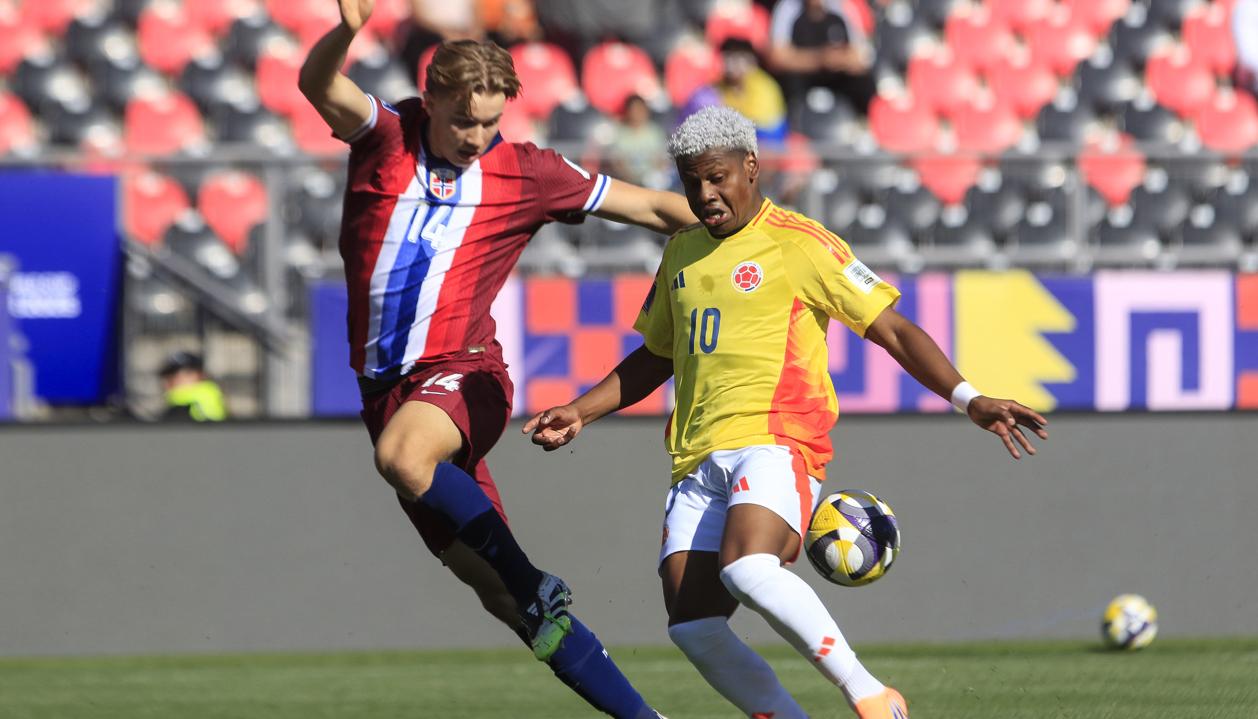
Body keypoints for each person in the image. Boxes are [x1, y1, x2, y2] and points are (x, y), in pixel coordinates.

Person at [524, 106, 1049, 719]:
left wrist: (970, 398)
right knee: (693, 627)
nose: (704, 194)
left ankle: (872, 696)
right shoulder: (682, 253)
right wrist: (582, 410)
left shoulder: (800, 242)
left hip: (777, 440)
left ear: (751, 166)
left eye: (717, 177)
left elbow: (894, 330)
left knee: (748, 567)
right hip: (694, 457)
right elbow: (657, 357)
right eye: (692, 182)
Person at [298, 3, 696, 717]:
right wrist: (348, 33)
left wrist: (766, 231)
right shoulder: (385, 139)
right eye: (463, 121)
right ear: (431, 101)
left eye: (490, 122)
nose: (478, 137)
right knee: (505, 600)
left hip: (467, 374)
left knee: (404, 457)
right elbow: (316, 83)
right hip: (388, 393)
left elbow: (654, 210)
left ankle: (536, 578)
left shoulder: (530, 172)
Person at [768, 0, 876, 114]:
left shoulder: (843, 7)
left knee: (864, 84)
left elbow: (861, 56)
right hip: (803, 77)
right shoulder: (788, 7)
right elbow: (777, 58)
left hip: (836, 77)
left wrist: (839, 59)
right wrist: (820, 59)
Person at [717, 38, 789, 144]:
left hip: (766, 145)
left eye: (739, 57)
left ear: (752, 61)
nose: (732, 63)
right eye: (728, 56)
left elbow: (765, 128)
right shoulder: (716, 87)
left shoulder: (764, 87)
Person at [159, 351, 227, 422]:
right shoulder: (214, 395)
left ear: (201, 375)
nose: (177, 380)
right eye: (170, 376)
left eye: (187, 374)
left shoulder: (193, 403)